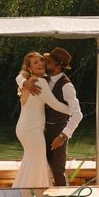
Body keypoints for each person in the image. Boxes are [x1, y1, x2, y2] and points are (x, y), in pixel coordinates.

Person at [17, 47, 83, 186]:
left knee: (57, 169)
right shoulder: (42, 78)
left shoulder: (67, 86)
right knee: (41, 163)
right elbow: (20, 76)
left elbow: (77, 114)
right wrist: (24, 82)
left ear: (57, 67)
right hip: (40, 129)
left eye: (48, 61)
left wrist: (63, 136)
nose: (44, 62)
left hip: (58, 131)